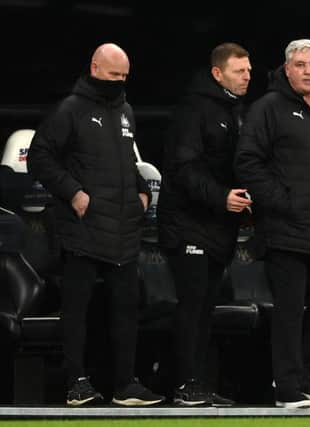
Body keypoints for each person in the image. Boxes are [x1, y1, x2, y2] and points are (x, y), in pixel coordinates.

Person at [27, 43, 164, 406]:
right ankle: (77, 383)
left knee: (126, 311)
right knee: (78, 311)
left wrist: (141, 194)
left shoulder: (126, 112)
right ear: (94, 67)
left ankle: (125, 385)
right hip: (82, 229)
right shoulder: (70, 110)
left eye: (124, 77)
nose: (119, 82)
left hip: (123, 229)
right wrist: (73, 193)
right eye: (113, 75)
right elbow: (40, 156)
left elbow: (126, 162)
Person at [235, 39, 310, 408]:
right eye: (300, 65)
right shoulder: (268, 108)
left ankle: (302, 375)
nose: (308, 71)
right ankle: (285, 386)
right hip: (286, 230)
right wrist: (283, 203)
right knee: (288, 311)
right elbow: (249, 162)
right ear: (287, 69)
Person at [157, 42, 252, 406]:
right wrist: (221, 197)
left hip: (217, 228)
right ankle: (183, 384)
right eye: (239, 71)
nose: (247, 76)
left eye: (248, 71)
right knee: (192, 305)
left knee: (206, 307)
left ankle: (197, 382)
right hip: (187, 224)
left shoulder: (235, 111)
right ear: (218, 73)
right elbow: (183, 169)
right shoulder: (193, 109)